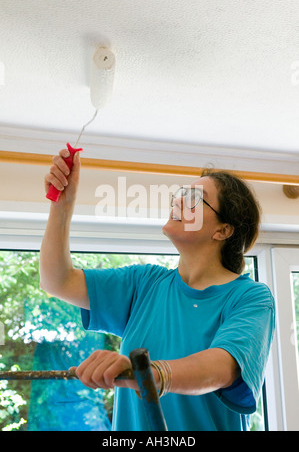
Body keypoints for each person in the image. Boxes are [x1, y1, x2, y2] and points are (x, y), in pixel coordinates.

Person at [40, 148, 275, 431]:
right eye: (180, 195)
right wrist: (62, 206)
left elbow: (222, 367)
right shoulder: (145, 283)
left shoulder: (250, 298)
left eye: (194, 199)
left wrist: (150, 374)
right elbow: (58, 281)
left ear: (222, 231)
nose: (178, 201)